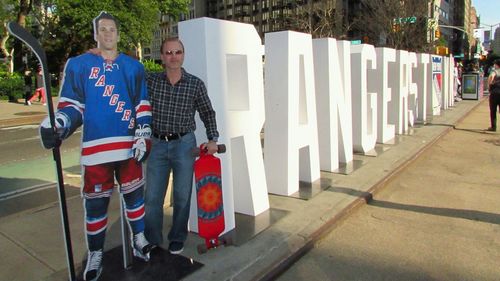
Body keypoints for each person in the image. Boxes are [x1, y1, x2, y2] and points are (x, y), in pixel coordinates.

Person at [38, 12, 153, 281]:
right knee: (96, 206)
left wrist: (143, 134)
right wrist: (60, 123)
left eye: (112, 29)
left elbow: (142, 104)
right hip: (96, 150)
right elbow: (72, 104)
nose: (108, 34)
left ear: (118, 33)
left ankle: (139, 238)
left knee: (135, 197)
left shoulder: (133, 67)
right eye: (102, 29)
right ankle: (95, 253)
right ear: (96, 33)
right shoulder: (79, 65)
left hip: (128, 147)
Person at [144, 37, 220, 255]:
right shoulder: (152, 81)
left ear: (183, 55)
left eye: (177, 52)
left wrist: (212, 138)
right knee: (152, 198)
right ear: (162, 57)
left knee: (182, 196)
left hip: (184, 145)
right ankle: (152, 239)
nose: (173, 56)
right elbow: (127, 77)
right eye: (169, 53)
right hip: (157, 144)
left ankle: (177, 237)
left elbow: (207, 113)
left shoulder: (195, 84)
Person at [487, 59, 500, 132]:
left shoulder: (495, 71)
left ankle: (493, 127)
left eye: (495, 64)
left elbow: (491, 76)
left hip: (495, 93)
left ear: (497, 65)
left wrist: (490, 84)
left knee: (493, 110)